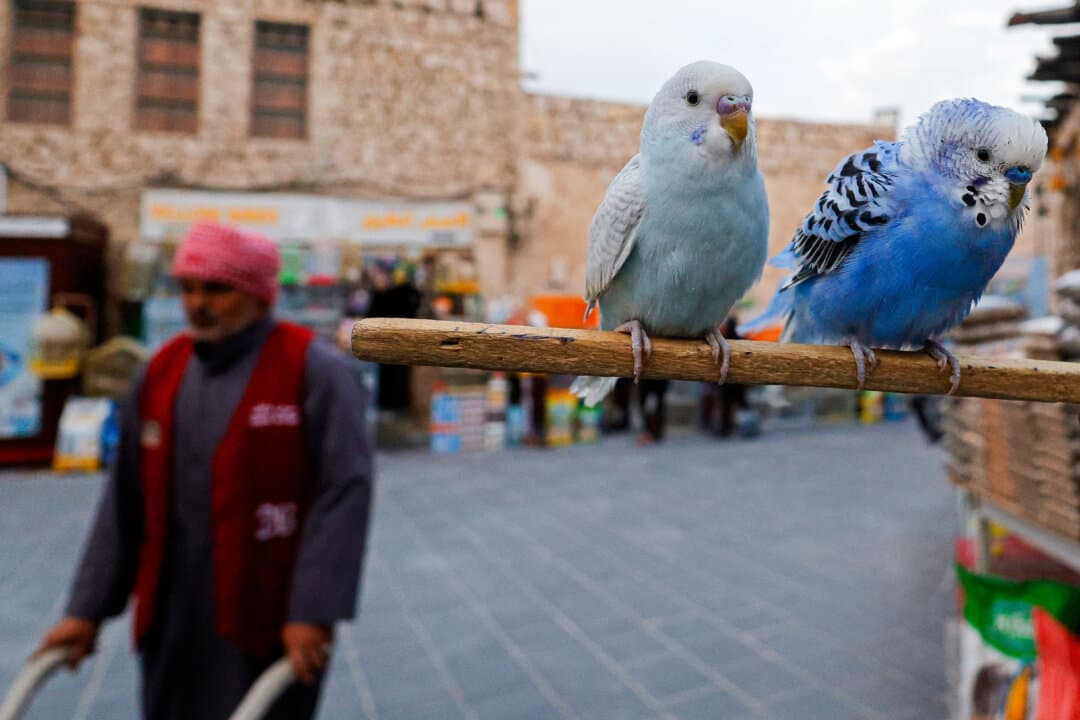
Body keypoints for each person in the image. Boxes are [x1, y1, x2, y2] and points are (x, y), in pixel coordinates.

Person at [35, 222, 374, 720]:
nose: (197, 303)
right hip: (173, 615)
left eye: (217, 289)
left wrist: (313, 609)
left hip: (265, 611)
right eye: (188, 288)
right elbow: (125, 502)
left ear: (259, 296)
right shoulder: (161, 371)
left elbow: (343, 490)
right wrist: (85, 610)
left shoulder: (314, 369)